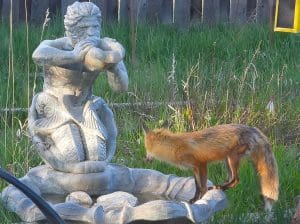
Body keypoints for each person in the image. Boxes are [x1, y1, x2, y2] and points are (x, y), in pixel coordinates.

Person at [29, 1, 128, 173]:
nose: (91, 33)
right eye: (84, 28)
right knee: (73, 155)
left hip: (85, 106)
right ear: (71, 30)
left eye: (95, 27)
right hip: (56, 106)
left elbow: (121, 88)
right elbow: (38, 55)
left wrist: (113, 66)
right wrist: (73, 56)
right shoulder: (59, 45)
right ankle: (51, 149)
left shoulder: (105, 50)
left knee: (98, 157)